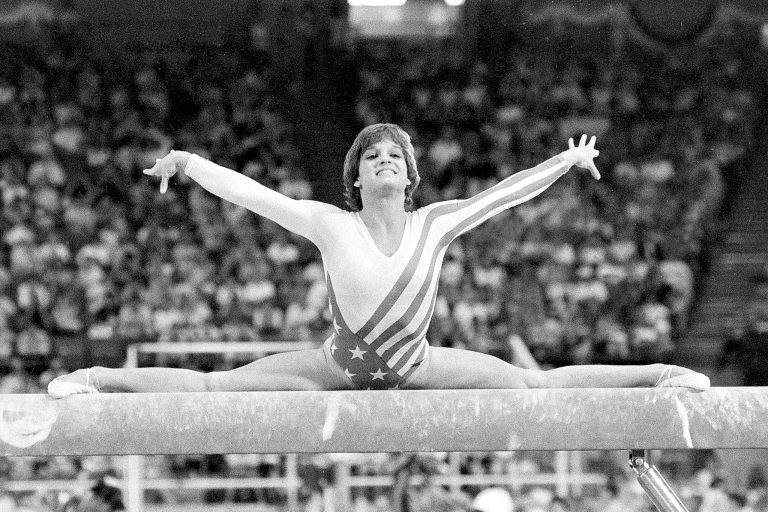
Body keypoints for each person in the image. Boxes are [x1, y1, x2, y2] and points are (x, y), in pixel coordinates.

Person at [48, 123, 709, 397]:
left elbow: (506, 194)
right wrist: (190, 163)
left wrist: (565, 162)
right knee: (219, 388)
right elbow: (254, 195)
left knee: (532, 385)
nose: (384, 159)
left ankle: (662, 375)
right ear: (358, 179)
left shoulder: (437, 224)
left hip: (419, 364)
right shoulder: (329, 224)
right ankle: (97, 380)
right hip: (338, 362)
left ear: (411, 175)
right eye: (372, 156)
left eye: (395, 154)